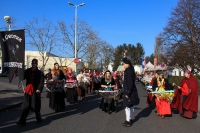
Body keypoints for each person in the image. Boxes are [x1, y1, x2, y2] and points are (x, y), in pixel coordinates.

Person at [16, 59, 44, 126]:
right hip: (28, 90)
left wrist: (39, 89)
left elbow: (41, 82)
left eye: (35, 63)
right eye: (33, 63)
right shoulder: (28, 71)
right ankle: (22, 120)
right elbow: (23, 77)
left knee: (35, 105)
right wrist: (20, 71)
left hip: (35, 90)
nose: (34, 64)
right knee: (26, 105)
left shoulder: (39, 72)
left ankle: (39, 118)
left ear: (36, 64)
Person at [121, 51, 139, 127]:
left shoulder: (128, 72)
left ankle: (128, 121)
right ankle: (130, 119)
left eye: (124, 64)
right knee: (131, 106)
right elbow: (125, 60)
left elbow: (130, 83)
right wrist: (124, 56)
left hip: (129, 92)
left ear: (127, 65)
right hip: (132, 91)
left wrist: (128, 93)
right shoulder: (130, 69)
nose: (123, 65)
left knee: (127, 107)